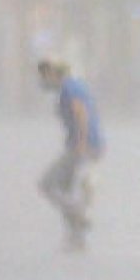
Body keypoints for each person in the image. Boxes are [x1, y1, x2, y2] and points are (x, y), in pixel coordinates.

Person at [37, 58, 104, 252]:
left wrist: (82, 144)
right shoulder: (72, 86)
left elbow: (80, 113)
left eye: (43, 75)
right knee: (68, 189)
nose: (42, 81)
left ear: (52, 73)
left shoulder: (69, 88)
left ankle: (77, 215)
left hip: (81, 147)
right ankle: (75, 236)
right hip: (84, 145)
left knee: (48, 184)